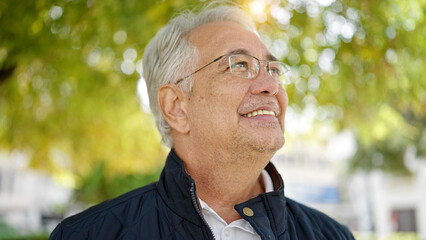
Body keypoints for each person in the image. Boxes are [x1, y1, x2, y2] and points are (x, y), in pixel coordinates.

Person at [50, 2, 355, 240]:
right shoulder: (88, 235)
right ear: (176, 106)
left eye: (273, 69)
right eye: (239, 65)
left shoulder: (333, 235)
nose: (271, 86)